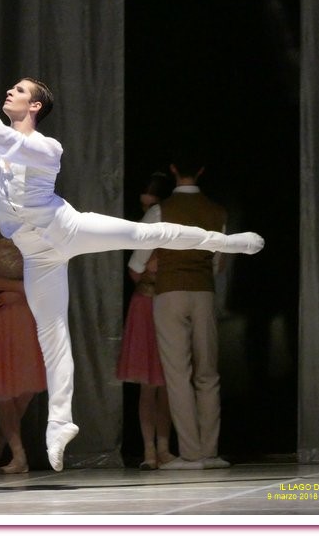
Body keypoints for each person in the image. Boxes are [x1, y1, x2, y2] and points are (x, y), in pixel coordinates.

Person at [0, 2, 265, 472]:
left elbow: (12, 141)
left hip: (64, 228)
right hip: (34, 253)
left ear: (36, 106)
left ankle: (224, 242)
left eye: (20, 90)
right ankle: (60, 423)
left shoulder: (47, 146)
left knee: (147, 231)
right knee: (53, 334)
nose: (10, 91)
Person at [127, 158, 232, 470]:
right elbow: (217, 264)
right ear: (201, 170)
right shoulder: (217, 211)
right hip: (203, 294)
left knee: (177, 375)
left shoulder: (160, 212)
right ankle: (210, 452)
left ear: (173, 170)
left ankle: (190, 454)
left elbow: (135, 266)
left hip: (169, 294)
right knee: (208, 374)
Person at [0, 175, 47, 474]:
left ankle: (0, 437)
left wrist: (20, 293)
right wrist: (17, 290)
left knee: (27, 384)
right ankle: (18, 454)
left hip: (23, 308)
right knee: (3, 386)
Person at [117, 172, 176, 470]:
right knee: (147, 384)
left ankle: (164, 448)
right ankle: (150, 450)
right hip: (145, 304)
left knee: (166, 383)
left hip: (166, 303)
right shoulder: (145, 228)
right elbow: (136, 271)